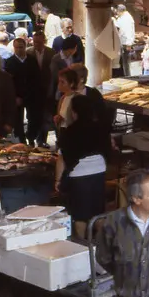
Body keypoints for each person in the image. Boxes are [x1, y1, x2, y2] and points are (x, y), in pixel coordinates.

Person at [55, 94, 109, 238]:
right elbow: (109, 148)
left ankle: (83, 245)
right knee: (98, 211)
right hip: (99, 170)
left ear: (74, 112)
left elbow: (62, 159)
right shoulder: (101, 128)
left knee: (80, 214)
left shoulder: (69, 132)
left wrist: (58, 180)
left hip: (79, 175)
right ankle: (99, 244)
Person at [4, 36, 42, 146]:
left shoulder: (31, 60)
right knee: (18, 119)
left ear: (25, 47)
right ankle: (21, 139)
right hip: (17, 96)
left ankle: (31, 137)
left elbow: (37, 78)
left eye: (21, 47)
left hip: (31, 95)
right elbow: (9, 82)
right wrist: (14, 97)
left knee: (33, 118)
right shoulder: (10, 62)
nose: (19, 50)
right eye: (16, 48)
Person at [29, 31, 55, 146]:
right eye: (34, 42)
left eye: (39, 42)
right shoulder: (28, 52)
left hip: (46, 90)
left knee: (46, 117)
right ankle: (30, 139)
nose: (36, 44)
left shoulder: (51, 53)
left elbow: (52, 73)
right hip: (33, 91)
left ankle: (42, 141)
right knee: (32, 117)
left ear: (43, 41)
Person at [115, 5, 136, 77]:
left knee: (125, 63)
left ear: (119, 11)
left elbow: (128, 32)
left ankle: (127, 77)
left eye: (117, 12)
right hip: (123, 42)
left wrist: (128, 44)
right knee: (123, 63)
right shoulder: (123, 18)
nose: (117, 13)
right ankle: (125, 75)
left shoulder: (126, 19)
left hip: (125, 43)